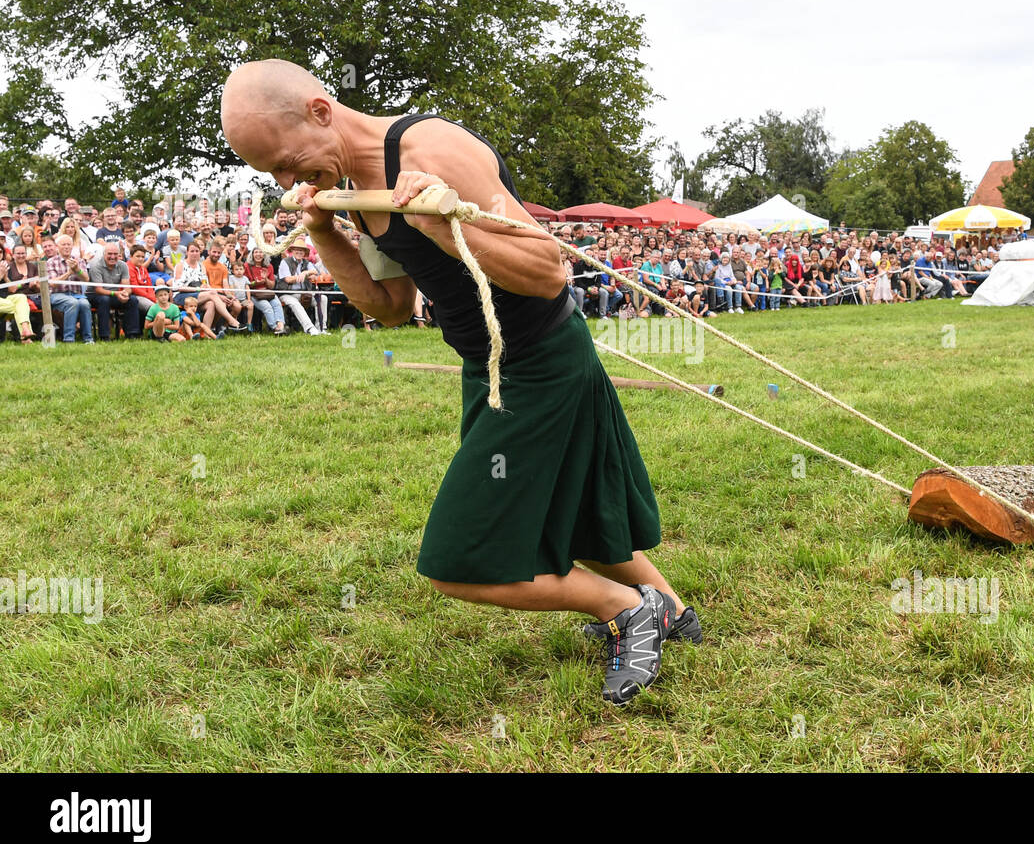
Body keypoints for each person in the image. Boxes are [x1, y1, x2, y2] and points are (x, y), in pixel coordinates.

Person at [221, 58, 695, 705]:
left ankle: (625, 609)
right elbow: (388, 305)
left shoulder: (430, 149)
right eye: (270, 175)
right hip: (491, 366)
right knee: (576, 504)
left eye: (283, 160)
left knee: (457, 559)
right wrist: (323, 230)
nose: (285, 179)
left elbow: (547, 268)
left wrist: (446, 227)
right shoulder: (356, 187)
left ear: (320, 112)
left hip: (541, 359)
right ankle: (672, 609)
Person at [87, 241, 142, 339]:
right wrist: (117, 293)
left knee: (132, 300)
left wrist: (125, 294)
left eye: (115, 254)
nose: (113, 257)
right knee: (104, 300)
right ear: (104, 254)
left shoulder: (123, 265)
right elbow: (98, 289)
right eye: (110, 254)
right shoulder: (96, 266)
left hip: (114, 294)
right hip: (96, 295)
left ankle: (132, 334)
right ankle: (104, 335)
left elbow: (127, 286)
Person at [45, 234, 94, 343]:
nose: (66, 247)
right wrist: (69, 273)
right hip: (57, 294)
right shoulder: (51, 262)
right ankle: (69, 338)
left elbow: (86, 279)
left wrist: (77, 270)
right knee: (72, 303)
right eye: (63, 244)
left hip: (76, 294)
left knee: (85, 304)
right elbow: (53, 284)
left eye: (69, 244)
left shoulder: (79, 261)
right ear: (57, 247)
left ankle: (88, 339)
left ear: (72, 247)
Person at [245, 246, 288, 334]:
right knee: (267, 307)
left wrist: (265, 280)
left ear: (264, 255)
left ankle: (281, 326)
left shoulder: (269, 266)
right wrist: (256, 283)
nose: (258, 254)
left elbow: (272, 286)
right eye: (256, 252)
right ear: (252, 254)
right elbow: (246, 284)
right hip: (255, 293)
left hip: (267, 292)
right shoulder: (247, 266)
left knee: (277, 304)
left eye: (261, 252)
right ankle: (275, 328)